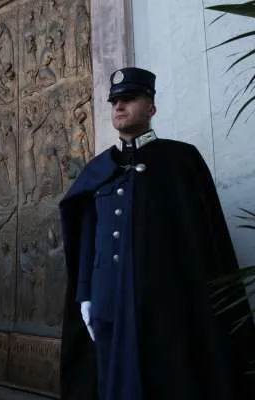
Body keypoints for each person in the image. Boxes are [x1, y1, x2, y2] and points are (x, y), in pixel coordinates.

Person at [59, 67, 255, 400]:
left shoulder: (180, 160)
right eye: (115, 101)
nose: (119, 107)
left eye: (129, 99)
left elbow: (201, 240)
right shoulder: (98, 171)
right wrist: (86, 296)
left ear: (151, 108)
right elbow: (88, 237)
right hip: (107, 303)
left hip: (165, 304)